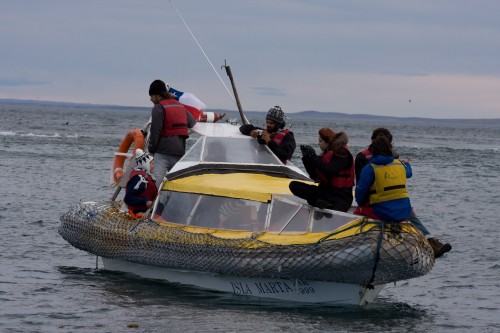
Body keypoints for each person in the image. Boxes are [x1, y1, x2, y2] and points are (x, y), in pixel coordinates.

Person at [355, 135, 452, 258]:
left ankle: (355, 241)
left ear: (373, 150)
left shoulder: (369, 169)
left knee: (359, 212)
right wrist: (407, 163)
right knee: (412, 217)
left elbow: (360, 192)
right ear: (390, 149)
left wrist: (362, 203)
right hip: (403, 210)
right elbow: (409, 173)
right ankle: (431, 240)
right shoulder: (400, 165)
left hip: (381, 211)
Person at [289, 128, 355, 212]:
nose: (318, 143)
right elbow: (314, 176)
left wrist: (314, 157)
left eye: (320, 141)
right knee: (294, 185)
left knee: (334, 207)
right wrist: (307, 159)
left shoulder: (343, 154)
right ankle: (319, 202)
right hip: (325, 192)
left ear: (328, 142)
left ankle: (322, 204)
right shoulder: (325, 155)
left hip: (341, 197)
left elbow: (329, 170)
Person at [147, 80, 197, 186]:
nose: (150, 99)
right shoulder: (181, 107)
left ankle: (151, 202)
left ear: (156, 95)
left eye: (151, 95)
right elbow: (192, 122)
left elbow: (155, 132)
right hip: (179, 152)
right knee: (177, 185)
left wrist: (151, 151)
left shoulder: (158, 108)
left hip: (162, 153)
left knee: (155, 184)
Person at [124, 149, 158, 218]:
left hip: (147, 211)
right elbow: (128, 198)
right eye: (151, 164)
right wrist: (145, 202)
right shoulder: (139, 179)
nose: (153, 166)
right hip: (139, 213)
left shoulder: (146, 177)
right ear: (145, 164)